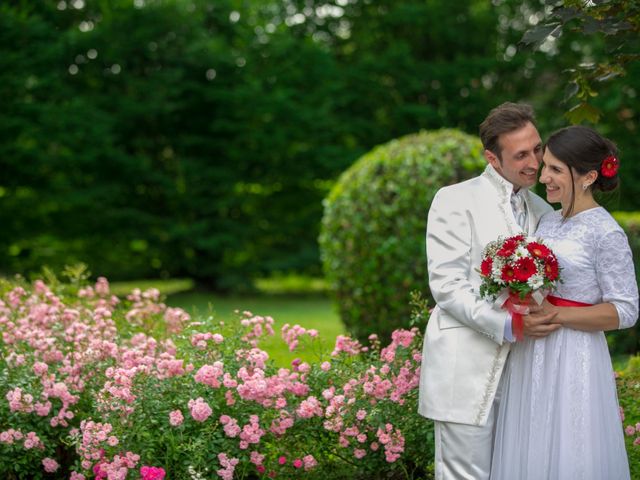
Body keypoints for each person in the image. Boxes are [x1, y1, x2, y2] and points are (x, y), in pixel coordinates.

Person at [490, 125, 639, 479]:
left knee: (570, 449)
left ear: (588, 176)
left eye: (556, 169)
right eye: (546, 167)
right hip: (532, 352)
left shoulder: (605, 231)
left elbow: (626, 310)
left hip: (575, 356)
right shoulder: (548, 221)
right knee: (531, 445)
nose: (544, 177)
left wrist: (558, 313)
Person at [417, 102, 556, 480]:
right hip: (466, 368)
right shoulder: (454, 199)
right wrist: (508, 324)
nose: (535, 162)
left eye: (538, 149)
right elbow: (446, 286)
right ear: (492, 158)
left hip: (527, 369)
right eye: (521, 155)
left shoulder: (543, 209)